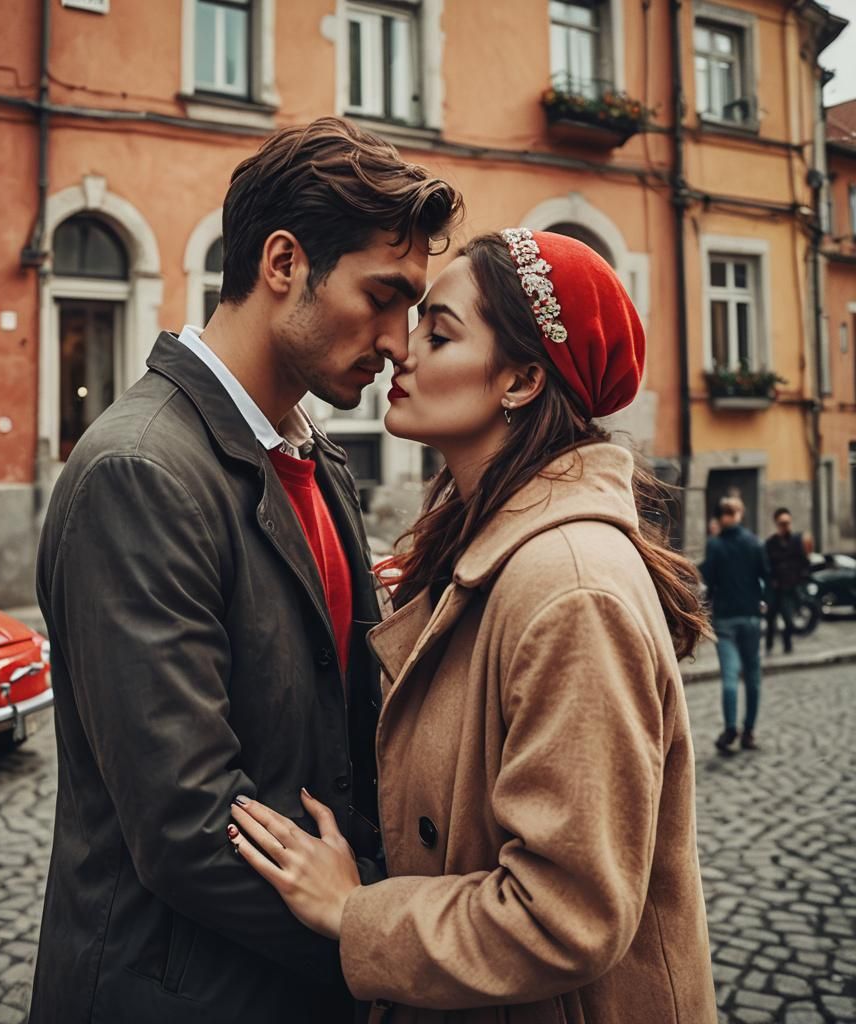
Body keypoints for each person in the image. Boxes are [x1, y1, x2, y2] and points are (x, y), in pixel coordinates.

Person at [28, 117, 462, 1024]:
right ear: (282, 263)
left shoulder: (315, 456)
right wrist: (377, 937)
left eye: (414, 309)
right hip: (178, 995)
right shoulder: (138, 472)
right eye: (383, 295)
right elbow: (188, 824)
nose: (398, 343)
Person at [228, 229, 719, 1023]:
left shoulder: (570, 587)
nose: (401, 352)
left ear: (523, 379)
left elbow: (565, 914)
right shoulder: (485, 550)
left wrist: (356, 914)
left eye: (440, 333)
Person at [702, 496, 771, 752]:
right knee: (752, 676)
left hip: (726, 618)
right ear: (739, 514)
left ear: (721, 518)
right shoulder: (755, 543)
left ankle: (731, 726)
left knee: (730, 675)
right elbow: (767, 576)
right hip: (751, 617)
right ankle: (749, 731)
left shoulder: (715, 545)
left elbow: (707, 578)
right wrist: (764, 602)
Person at [764, 506, 811, 654]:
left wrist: (800, 579)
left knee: (788, 619)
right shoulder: (771, 543)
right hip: (774, 587)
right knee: (771, 619)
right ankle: (769, 645)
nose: (785, 526)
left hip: (789, 588)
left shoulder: (796, 541)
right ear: (776, 524)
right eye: (782, 523)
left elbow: (804, 562)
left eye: (787, 522)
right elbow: (766, 565)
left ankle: (787, 645)